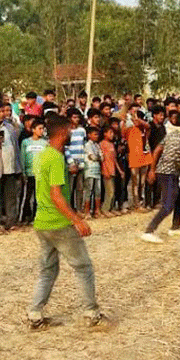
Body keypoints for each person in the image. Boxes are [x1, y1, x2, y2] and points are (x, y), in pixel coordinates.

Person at [27, 113, 104, 329]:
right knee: (83, 267)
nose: (72, 134)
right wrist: (77, 220)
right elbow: (56, 194)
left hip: (41, 222)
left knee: (48, 270)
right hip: (58, 222)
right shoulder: (56, 158)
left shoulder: (42, 155)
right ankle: (92, 313)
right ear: (62, 132)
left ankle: (35, 314)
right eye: (70, 130)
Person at [141, 111, 180, 244]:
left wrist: (153, 170)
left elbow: (157, 150)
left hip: (165, 170)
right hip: (169, 172)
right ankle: (149, 231)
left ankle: (175, 227)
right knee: (168, 205)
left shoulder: (171, 134)